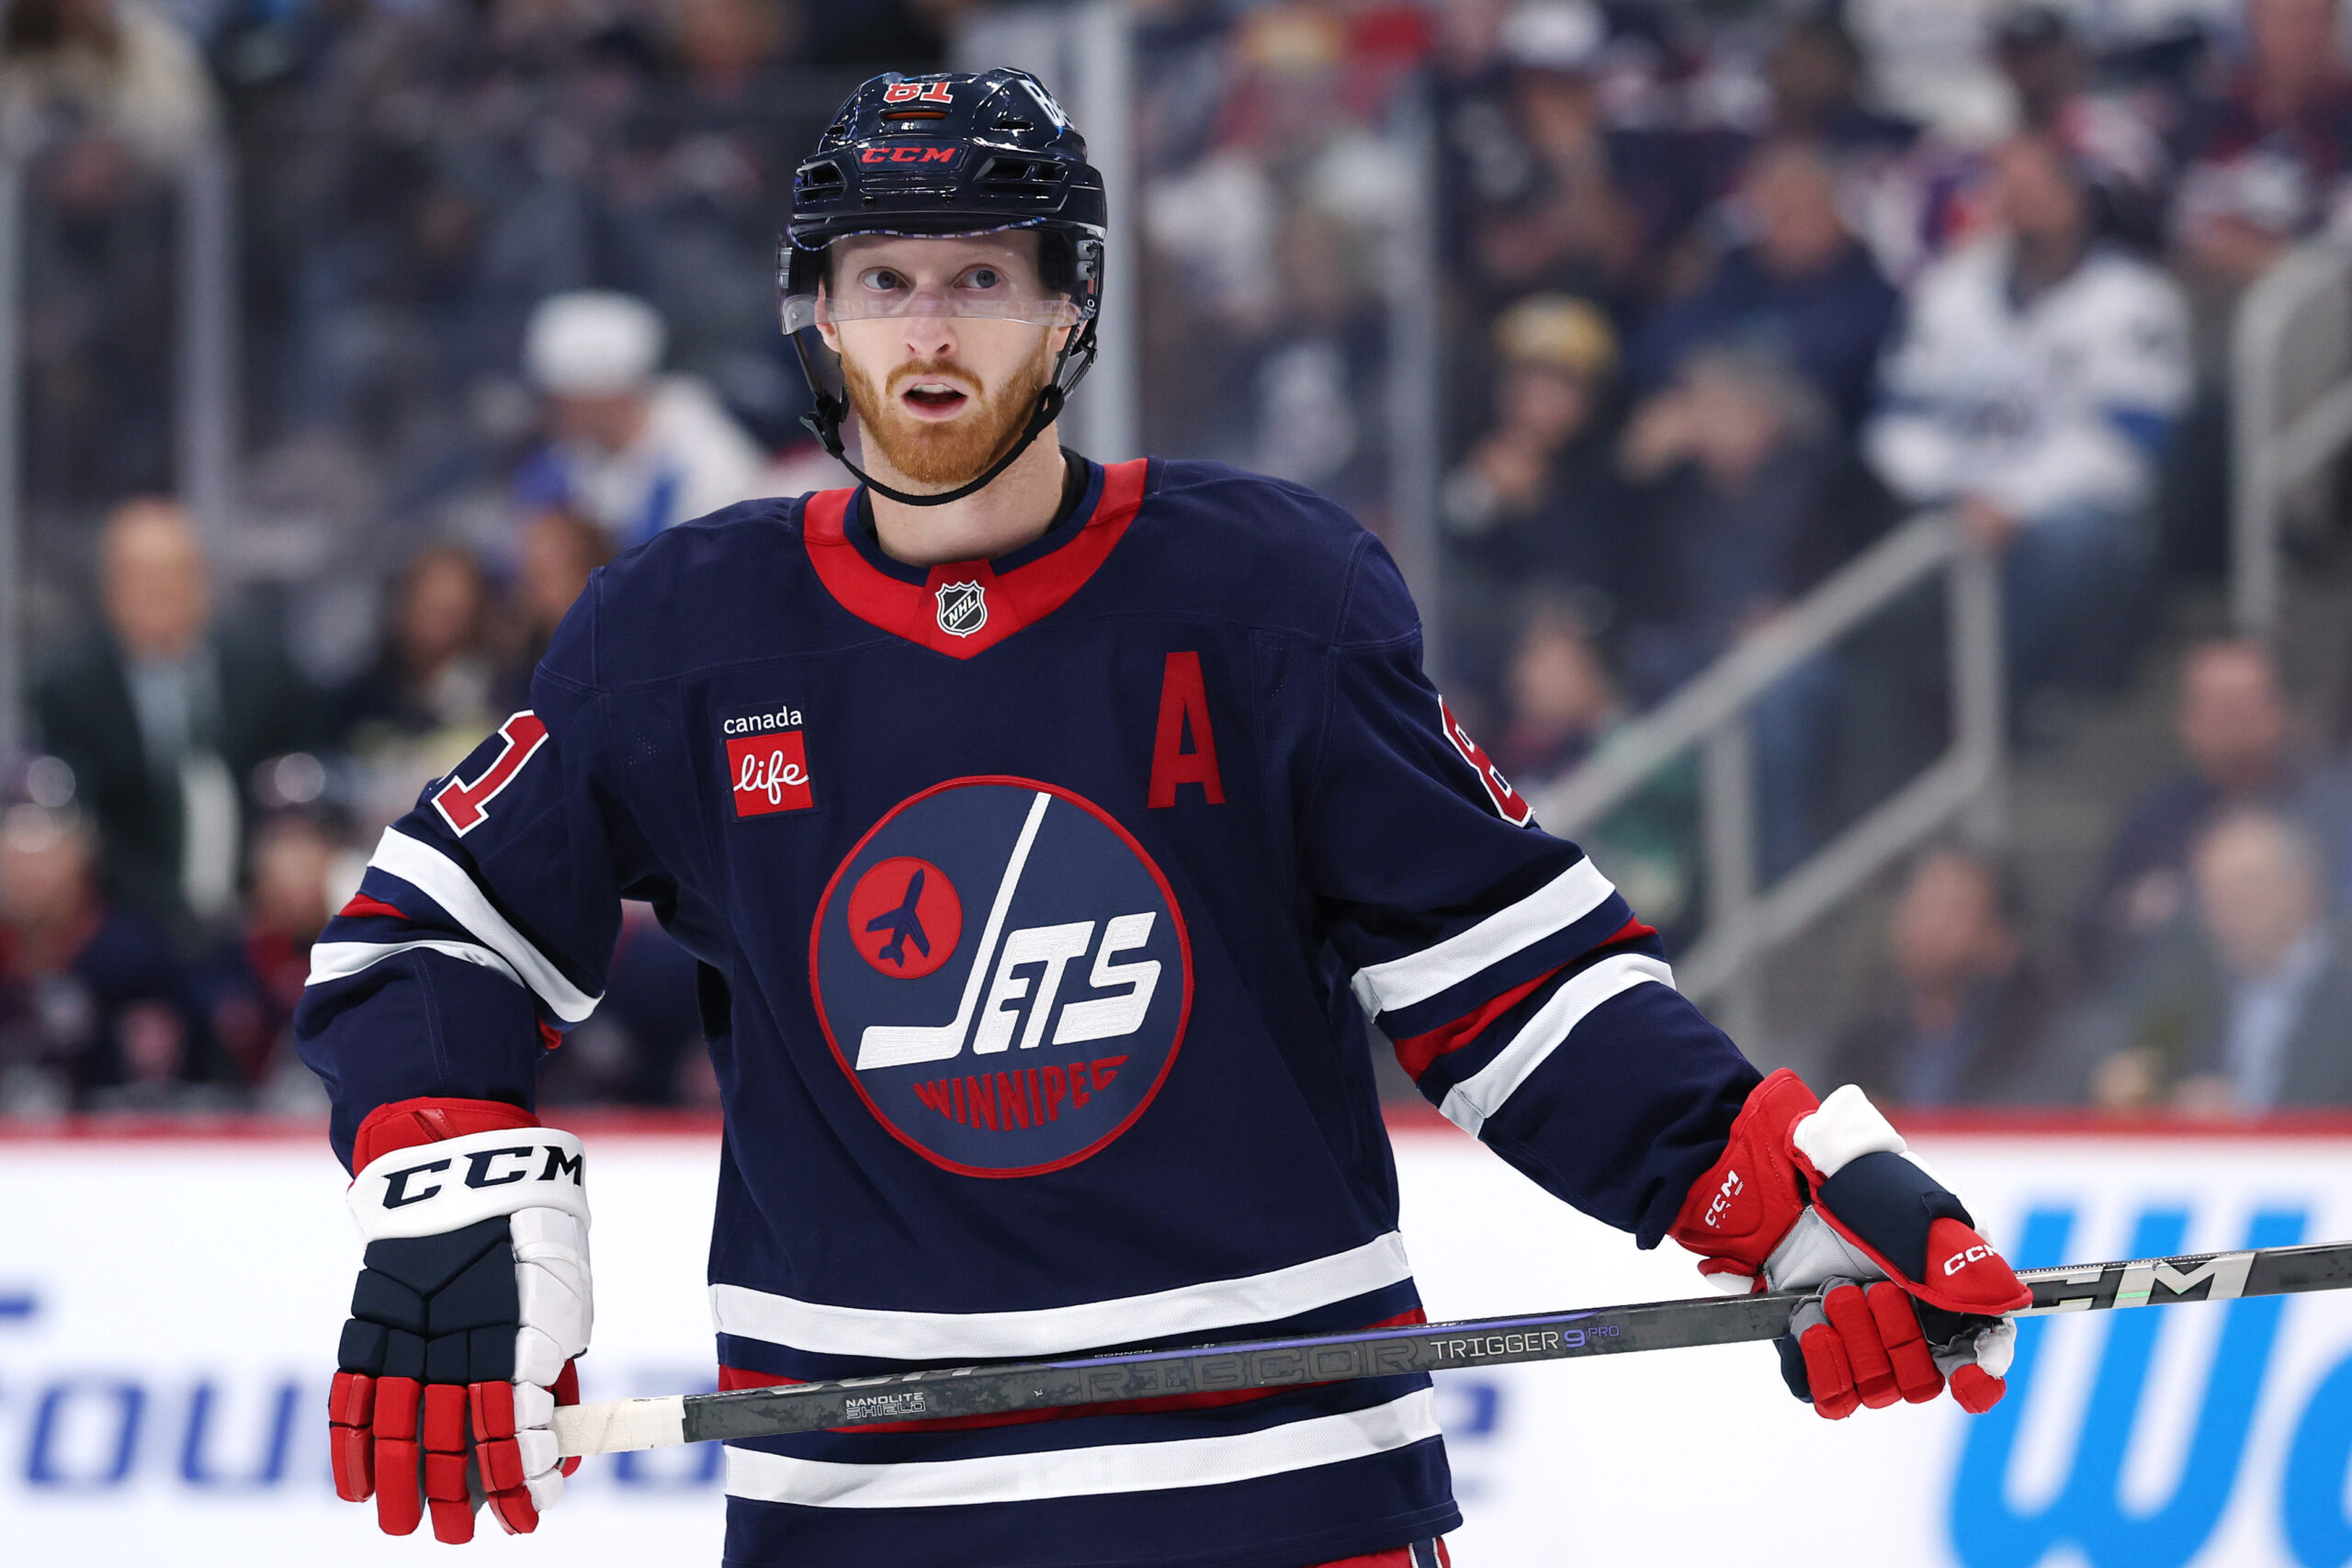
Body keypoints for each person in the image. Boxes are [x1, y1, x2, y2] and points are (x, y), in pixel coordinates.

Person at [296, 68, 2032, 1565]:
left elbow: (1509, 976)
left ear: (1072, 308)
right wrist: (454, 1186)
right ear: (817, 311)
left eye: (982, 278)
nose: (927, 335)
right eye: (883, 278)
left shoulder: (1268, 598)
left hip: (1282, 1500)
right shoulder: (682, 636)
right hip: (870, 1517)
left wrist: (1764, 1185)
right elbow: (427, 927)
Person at [1865, 130, 2191, 717]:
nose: (2024, 206)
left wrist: (2014, 502)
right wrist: (1956, 490)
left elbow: (2131, 443)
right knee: (1884, 541)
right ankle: (1932, 708)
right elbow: (1897, 419)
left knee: (2069, 541)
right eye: (2010, 191)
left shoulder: (2134, 299)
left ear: (2075, 199)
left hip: (2075, 507)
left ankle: (1998, 706)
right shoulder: (1951, 289)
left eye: (2038, 191)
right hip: (1957, 496)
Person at [34, 497, 321, 942]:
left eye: (176, 573)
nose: (160, 591)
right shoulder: (69, 692)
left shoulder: (265, 674)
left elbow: (305, 773)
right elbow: (69, 807)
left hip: (256, 916)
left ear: (203, 581)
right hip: (122, 922)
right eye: (141, 575)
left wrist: (295, 839)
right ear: (109, 587)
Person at [2073, 638, 2344, 987]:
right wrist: (2133, 911)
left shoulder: (2336, 808)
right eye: (2213, 707)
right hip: (2182, 1002)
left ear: (2280, 711)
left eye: (2242, 705)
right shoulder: (2158, 815)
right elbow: (2090, 931)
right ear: (2185, 720)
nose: (2229, 722)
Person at [2088, 810, 2352, 1111]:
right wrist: (2147, 1095)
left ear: (2303, 886)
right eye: (2214, 892)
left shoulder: (2343, 995)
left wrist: (2244, 1116)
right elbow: (2135, 1073)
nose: (2230, 907)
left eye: (2248, 885)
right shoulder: (2185, 995)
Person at [1628, 141, 1901, 430]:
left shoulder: (1868, 290)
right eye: (1775, 209)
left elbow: (1830, 371)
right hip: (1707, 412)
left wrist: (1738, 389)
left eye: (1800, 208)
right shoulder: (1736, 270)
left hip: (1809, 435)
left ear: (1835, 210)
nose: (1786, 224)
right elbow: (1656, 345)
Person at [513, 289, 773, 547]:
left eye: (564, 400)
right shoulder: (563, 457)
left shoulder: (705, 461)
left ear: (609, 394)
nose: (552, 412)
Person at [0, 779, 197, 1111]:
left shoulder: (133, 956)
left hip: (109, 1133)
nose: (28, 872)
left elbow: (158, 1079)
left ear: (82, 856)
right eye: (15, 853)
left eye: (47, 854)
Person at [1826, 846, 2058, 1108]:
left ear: (2001, 937)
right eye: (1919, 905)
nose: (1928, 926)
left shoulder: (2041, 1043)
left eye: (1951, 910)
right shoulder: (1857, 1049)